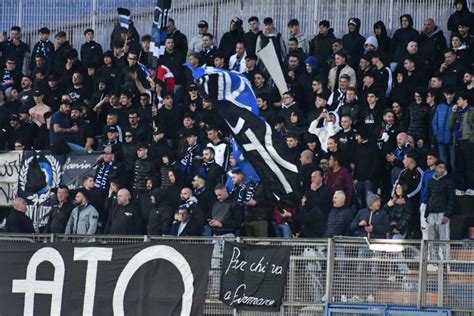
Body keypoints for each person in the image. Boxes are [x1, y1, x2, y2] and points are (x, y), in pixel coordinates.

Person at [425, 160, 455, 263]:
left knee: (444, 239)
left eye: (443, 167)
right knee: (432, 239)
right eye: (439, 167)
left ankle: (446, 262)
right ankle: (433, 262)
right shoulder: (431, 181)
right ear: (435, 168)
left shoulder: (448, 181)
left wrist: (447, 215)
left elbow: (451, 199)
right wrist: (426, 214)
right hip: (432, 214)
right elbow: (429, 198)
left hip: (443, 213)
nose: (442, 169)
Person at [449, 91, 474, 195]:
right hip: (458, 141)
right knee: (459, 166)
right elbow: (450, 125)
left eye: (459, 99)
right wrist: (453, 112)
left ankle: (471, 187)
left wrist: (471, 139)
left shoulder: (472, 111)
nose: (457, 101)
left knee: (469, 166)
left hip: (468, 141)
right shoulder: (458, 111)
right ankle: (461, 187)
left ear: (465, 100)